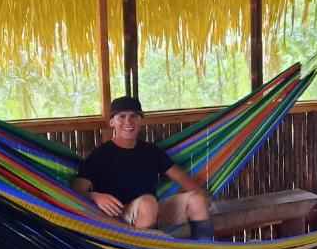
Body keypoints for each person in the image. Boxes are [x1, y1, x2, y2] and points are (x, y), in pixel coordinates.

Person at [71, 96, 214, 240]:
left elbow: (181, 178)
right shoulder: (100, 155)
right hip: (118, 217)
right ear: (112, 122)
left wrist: (203, 197)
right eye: (122, 117)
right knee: (147, 202)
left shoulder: (151, 151)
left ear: (141, 120)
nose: (128, 122)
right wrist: (95, 196)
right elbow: (77, 189)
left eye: (134, 116)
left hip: (154, 212)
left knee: (197, 198)